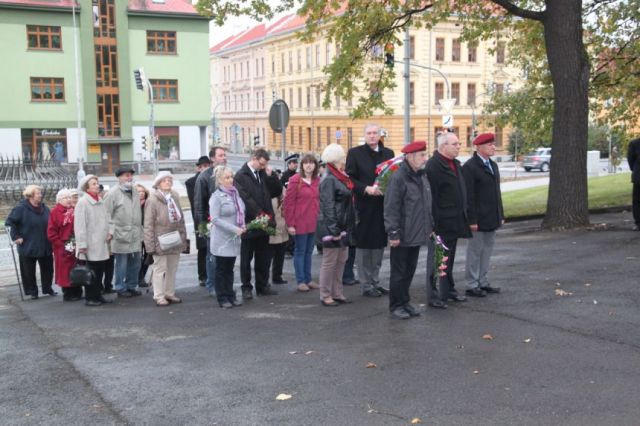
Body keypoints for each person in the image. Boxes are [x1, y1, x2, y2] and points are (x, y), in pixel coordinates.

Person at [384, 141, 434, 319]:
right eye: (421, 155)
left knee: (410, 270)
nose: (425, 158)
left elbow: (426, 205)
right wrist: (394, 233)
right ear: (410, 157)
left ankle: (405, 302)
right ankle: (396, 305)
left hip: (417, 233)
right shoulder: (399, 178)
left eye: (424, 154)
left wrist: (429, 227)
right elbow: (391, 208)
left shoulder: (421, 175)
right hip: (403, 234)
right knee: (399, 272)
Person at [345, 123, 395, 297]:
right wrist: (366, 188)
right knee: (364, 246)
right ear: (364, 135)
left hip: (382, 206)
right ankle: (366, 284)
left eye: (375, 133)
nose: (372, 136)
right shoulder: (355, 153)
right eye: (369, 133)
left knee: (379, 245)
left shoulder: (388, 154)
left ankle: (375, 280)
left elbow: (392, 175)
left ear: (380, 135)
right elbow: (349, 179)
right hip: (364, 206)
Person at [425, 132, 472, 308]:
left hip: (454, 220)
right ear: (443, 146)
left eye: (459, 144)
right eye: (455, 144)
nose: (459, 146)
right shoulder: (433, 166)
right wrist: (432, 224)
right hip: (441, 222)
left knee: (449, 259)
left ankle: (448, 290)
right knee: (437, 260)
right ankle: (433, 295)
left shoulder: (455, 164)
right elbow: (432, 198)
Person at [234, 148, 283, 299]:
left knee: (264, 258)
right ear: (254, 159)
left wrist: (272, 176)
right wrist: (261, 216)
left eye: (264, 165)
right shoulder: (241, 175)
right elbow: (246, 198)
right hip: (250, 223)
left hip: (266, 223)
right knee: (246, 258)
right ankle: (246, 287)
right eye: (261, 164)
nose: (262, 167)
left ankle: (262, 285)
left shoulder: (263, 174)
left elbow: (276, 191)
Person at [462, 133, 505, 297]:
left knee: (487, 251)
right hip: (478, 219)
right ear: (479, 147)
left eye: (493, 144)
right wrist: (471, 220)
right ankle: (471, 284)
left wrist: (500, 213)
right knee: (474, 252)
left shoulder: (493, 165)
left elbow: (497, 193)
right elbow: (469, 197)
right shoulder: (470, 167)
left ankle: (483, 281)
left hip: (491, 217)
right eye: (490, 144)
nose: (493, 147)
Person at [316, 144, 356, 307]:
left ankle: (337, 292)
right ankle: (325, 294)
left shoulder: (339, 176)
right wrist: (334, 230)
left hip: (342, 225)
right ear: (336, 159)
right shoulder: (329, 179)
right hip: (332, 227)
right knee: (330, 261)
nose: (345, 159)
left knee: (341, 260)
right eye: (342, 157)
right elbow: (328, 206)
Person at [144, 171, 187, 307]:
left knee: (172, 268)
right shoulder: (152, 200)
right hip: (160, 239)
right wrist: (150, 245)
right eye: (164, 180)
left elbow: (181, 219)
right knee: (159, 269)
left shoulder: (174, 196)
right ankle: (159, 295)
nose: (168, 182)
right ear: (158, 184)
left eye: (170, 180)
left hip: (175, 238)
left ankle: (169, 292)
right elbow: (148, 224)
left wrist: (183, 236)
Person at [6, 185, 55, 299]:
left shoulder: (44, 208)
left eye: (40, 193)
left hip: (45, 244)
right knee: (28, 270)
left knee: (48, 268)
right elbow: (10, 222)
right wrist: (16, 237)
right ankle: (32, 291)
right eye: (38, 193)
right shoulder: (21, 208)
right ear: (31, 195)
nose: (40, 195)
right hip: (27, 244)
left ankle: (47, 288)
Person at [209, 166, 246, 308]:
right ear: (219, 180)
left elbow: (240, 212)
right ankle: (222, 297)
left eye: (231, 177)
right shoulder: (216, 197)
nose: (230, 180)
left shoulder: (235, 194)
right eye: (227, 177)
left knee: (230, 269)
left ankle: (231, 295)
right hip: (222, 239)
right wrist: (234, 228)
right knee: (221, 269)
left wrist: (242, 225)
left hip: (234, 238)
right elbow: (215, 219)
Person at [74, 175, 114, 307]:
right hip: (90, 244)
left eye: (97, 183)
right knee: (91, 272)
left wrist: (110, 232)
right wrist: (82, 244)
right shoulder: (83, 202)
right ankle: (90, 297)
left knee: (100, 271)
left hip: (101, 243)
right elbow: (79, 226)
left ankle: (98, 295)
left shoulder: (100, 200)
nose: (97, 185)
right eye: (93, 184)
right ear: (87, 188)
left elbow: (109, 218)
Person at [283, 153, 320, 292]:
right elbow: (289, 203)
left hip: (313, 221)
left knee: (309, 251)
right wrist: (290, 224)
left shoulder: (317, 180)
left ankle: (308, 279)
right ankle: (301, 280)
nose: (309, 165)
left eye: (311, 162)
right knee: (300, 251)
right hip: (299, 222)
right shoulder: (295, 180)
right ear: (302, 165)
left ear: (315, 165)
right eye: (306, 163)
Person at [104, 166, 143, 298]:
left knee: (136, 262)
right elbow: (106, 214)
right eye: (126, 175)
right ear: (119, 177)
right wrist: (109, 231)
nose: (129, 178)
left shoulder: (134, 191)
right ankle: (120, 287)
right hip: (120, 233)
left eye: (130, 175)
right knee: (121, 264)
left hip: (135, 232)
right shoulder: (112, 193)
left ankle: (132, 285)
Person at [194, 146, 228, 295]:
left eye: (225, 155)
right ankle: (212, 285)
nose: (224, 158)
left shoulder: (227, 174)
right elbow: (199, 205)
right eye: (221, 155)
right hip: (211, 224)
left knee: (226, 256)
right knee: (212, 257)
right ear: (213, 159)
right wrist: (203, 227)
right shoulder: (204, 177)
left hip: (227, 224)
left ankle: (224, 285)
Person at [47, 188, 81, 301]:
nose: (69, 200)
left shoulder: (74, 210)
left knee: (76, 267)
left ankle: (77, 290)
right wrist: (60, 245)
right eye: (66, 198)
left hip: (74, 243)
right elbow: (51, 232)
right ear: (59, 200)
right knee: (65, 271)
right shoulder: (55, 212)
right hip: (62, 245)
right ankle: (68, 293)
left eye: (69, 197)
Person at [186, 156, 211, 286]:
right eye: (203, 166)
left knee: (212, 248)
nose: (205, 168)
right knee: (202, 248)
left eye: (207, 166)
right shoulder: (191, 182)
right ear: (199, 168)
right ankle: (202, 275)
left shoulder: (213, 179)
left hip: (212, 217)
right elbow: (195, 202)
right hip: (200, 218)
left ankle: (211, 274)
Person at [268, 191, 289, 285]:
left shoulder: (281, 191)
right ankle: (264, 280)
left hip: (283, 226)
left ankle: (277, 276)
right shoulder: (267, 193)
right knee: (268, 256)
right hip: (272, 227)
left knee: (280, 254)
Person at [135, 184, 151, 288]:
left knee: (148, 256)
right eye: (138, 191)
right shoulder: (133, 205)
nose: (141, 193)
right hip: (137, 234)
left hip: (148, 233)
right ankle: (138, 278)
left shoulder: (148, 204)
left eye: (142, 191)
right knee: (138, 257)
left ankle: (142, 276)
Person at [627, 137, 640, 231]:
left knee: (637, 201)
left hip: (638, 175)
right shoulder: (634, 143)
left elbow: (630, 160)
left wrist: (634, 169)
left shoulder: (634, 144)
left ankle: (638, 222)